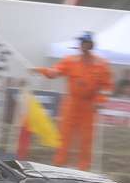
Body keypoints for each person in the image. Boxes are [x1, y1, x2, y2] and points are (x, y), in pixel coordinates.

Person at [32, 31, 113, 172]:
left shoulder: (102, 64)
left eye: (86, 43)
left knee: (86, 138)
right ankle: (59, 164)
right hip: (71, 104)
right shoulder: (70, 60)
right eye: (81, 42)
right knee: (65, 136)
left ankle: (83, 168)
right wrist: (39, 70)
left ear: (91, 45)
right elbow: (54, 72)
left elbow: (107, 86)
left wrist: (100, 101)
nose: (83, 45)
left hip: (89, 105)